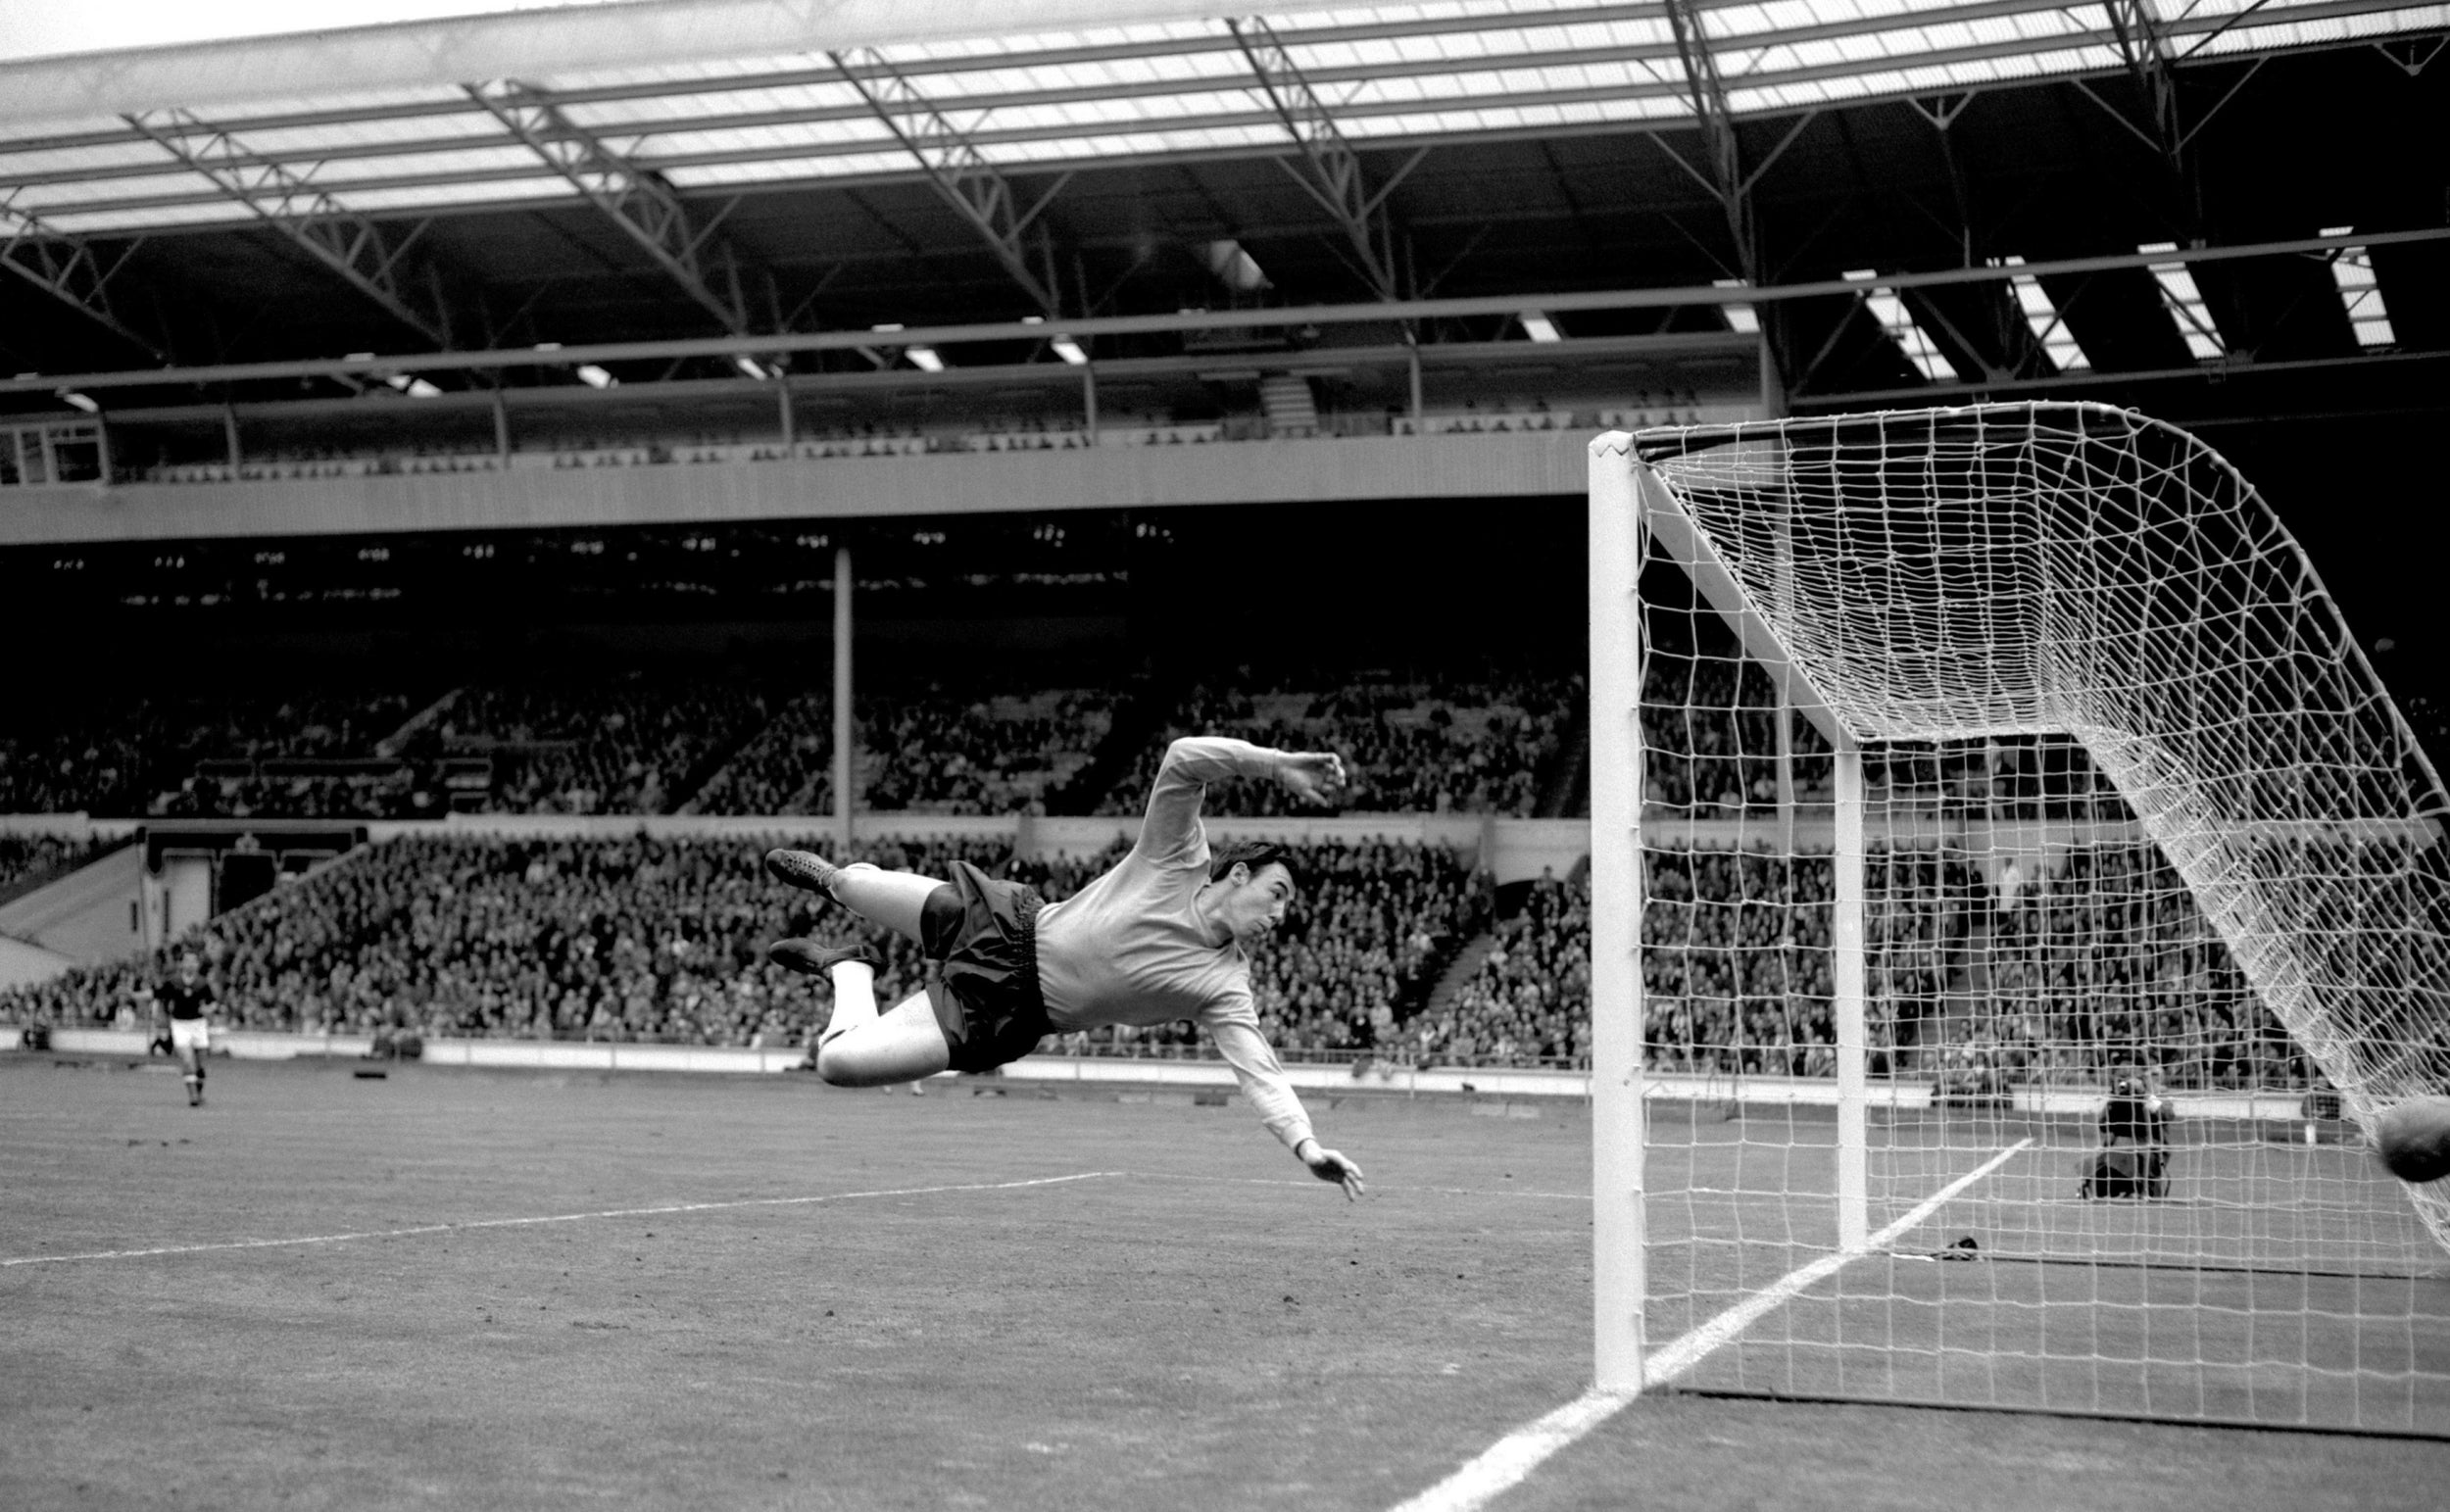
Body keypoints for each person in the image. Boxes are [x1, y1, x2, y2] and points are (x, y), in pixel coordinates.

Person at [764, 735, 1366, 1199]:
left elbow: (1261, 1072)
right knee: (849, 883)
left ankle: (849, 971)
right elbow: (1183, 759)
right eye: (1278, 892)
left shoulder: (1225, 986)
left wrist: (1306, 1145)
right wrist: (1274, 763)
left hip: (1001, 1011)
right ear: (1239, 874)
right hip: (1001, 925)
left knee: (837, 1064)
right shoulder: (1178, 856)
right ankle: (835, 882)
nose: (1281, 914)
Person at [157, 951, 217, 1107]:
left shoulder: (202, 983)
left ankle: (198, 1093)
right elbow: (157, 994)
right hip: (180, 1025)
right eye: (187, 961)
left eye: (193, 961)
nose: (190, 964)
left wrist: (208, 1009)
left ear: (197, 964)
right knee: (188, 1060)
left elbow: (212, 1002)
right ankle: (193, 1097)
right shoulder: (173, 982)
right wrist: (134, 994)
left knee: (200, 1065)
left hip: (198, 1025)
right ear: (181, 964)